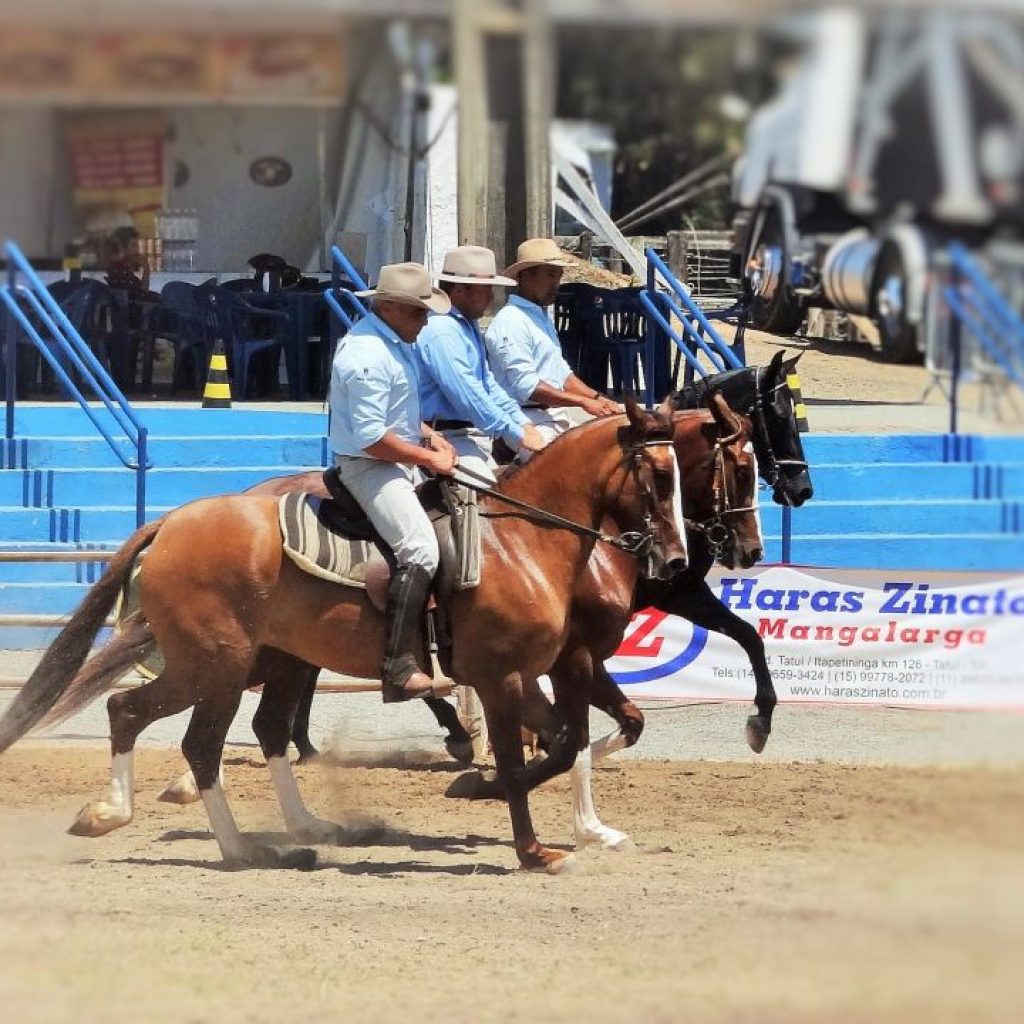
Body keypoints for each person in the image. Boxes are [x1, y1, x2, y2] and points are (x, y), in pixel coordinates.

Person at [330, 262, 458, 702]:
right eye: (417, 312)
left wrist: (426, 433)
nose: (424, 322)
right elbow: (370, 439)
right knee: (420, 549)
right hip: (369, 467)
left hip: (399, 458)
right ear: (387, 307)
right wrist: (431, 459)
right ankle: (399, 666)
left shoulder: (394, 341)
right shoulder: (366, 355)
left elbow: (395, 413)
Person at [413, 245, 545, 482]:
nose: (491, 297)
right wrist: (514, 430)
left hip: (466, 434)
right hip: (441, 436)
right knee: (482, 501)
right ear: (460, 290)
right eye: (485, 290)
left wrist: (522, 423)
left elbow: (487, 383)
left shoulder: (467, 325)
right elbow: (467, 394)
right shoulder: (442, 330)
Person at [484, 237, 621, 452]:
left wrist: (597, 397)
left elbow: (562, 374)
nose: (556, 283)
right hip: (524, 419)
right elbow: (528, 387)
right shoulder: (510, 321)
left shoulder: (539, 317)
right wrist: (583, 402)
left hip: (551, 415)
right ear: (526, 275)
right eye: (550, 274)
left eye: (558, 275)